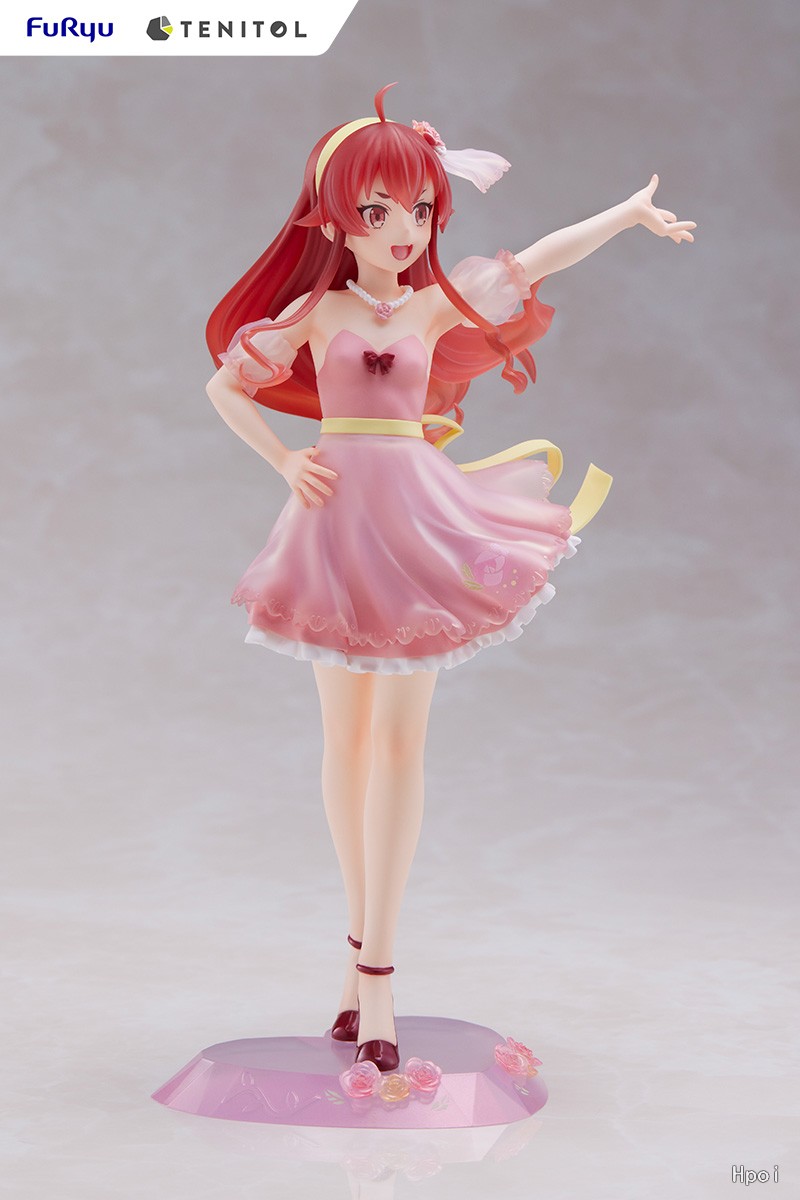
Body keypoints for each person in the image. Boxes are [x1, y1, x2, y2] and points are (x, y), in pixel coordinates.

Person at [205, 83, 696, 1072]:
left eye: (421, 210)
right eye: (377, 211)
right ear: (334, 220)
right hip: (331, 530)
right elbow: (226, 385)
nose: (403, 230)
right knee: (345, 749)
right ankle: (355, 969)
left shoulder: (432, 304)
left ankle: (378, 977)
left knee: (397, 747)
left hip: (415, 524)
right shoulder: (317, 310)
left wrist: (626, 214)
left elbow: (536, 260)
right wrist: (285, 461)